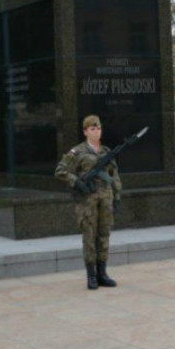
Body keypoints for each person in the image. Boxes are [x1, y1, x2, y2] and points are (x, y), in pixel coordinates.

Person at [55, 114, 122, 290]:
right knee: (89, 238)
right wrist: (76, 182)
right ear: (85, 131)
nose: (96, 131)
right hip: (87, 201)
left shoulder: (107, 152)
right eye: (92, 129)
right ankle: (91, 276)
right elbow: (60, 171)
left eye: (98, 128)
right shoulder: (77, 152)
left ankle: (103, 273)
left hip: (106, 199)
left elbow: (114, 176)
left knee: (104, 235)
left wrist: (117, 196)